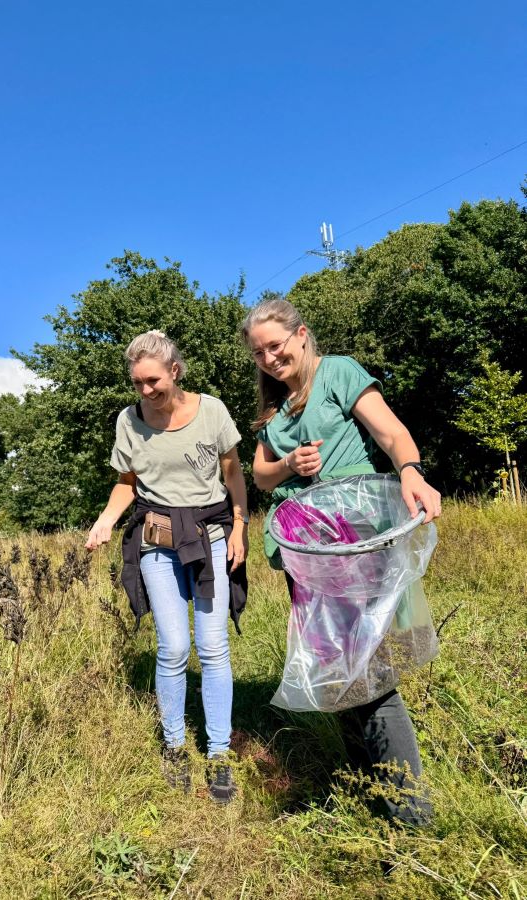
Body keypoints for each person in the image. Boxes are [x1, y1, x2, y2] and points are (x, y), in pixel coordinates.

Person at [242, 296, 441, 826]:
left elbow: (391, 433)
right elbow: (260, 476)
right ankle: (368, 788)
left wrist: (412, 471)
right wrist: (287, 464)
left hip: (353, 538)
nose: (269, 358)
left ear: (301, 334)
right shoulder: (273, 410)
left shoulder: (338, 372)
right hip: (307, 550)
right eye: (259, 352)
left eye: (275, 345)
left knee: (370, 672)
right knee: (337, 671)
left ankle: (411, 819)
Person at [85, 330, 249, 804]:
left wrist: (239, 525)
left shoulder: (212, 411)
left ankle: (218, 753)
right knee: (174, 646)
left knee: (214, 646)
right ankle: (174, 746)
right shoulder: (129, 421)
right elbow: (126, 484)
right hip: (156, 540)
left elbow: (233, 473)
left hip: (211, 536)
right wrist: (105, 522)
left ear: (175, 372)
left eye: (153, 380)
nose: (146, 391)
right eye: (137, 383)